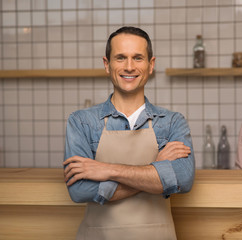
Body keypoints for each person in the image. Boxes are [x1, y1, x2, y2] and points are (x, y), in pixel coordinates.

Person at [63, 26, 195, 240]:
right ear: (107, 65)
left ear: (151, 65)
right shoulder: (81, 122)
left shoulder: (172, 122)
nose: (129, 66)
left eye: (138, 58)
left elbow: (183, 180)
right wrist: (155, 170)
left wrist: (106, 170)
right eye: (121, 58)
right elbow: (79, 190)